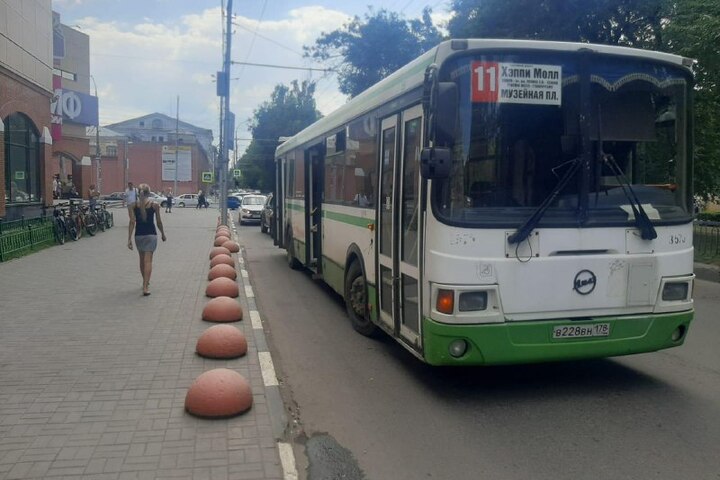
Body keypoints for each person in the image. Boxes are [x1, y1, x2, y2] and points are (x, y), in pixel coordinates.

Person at [127, 183, 166, 296]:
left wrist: (129, 239)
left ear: (138, 194)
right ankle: (145, 286)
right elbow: (158, 222)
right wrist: (163, 233)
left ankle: (145, 282)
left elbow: (132, 222)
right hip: (151, 235)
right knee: (148, 261)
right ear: (149, 193)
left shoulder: (133, 206)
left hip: (138, 235)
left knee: (142, 260)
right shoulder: (155, 205)